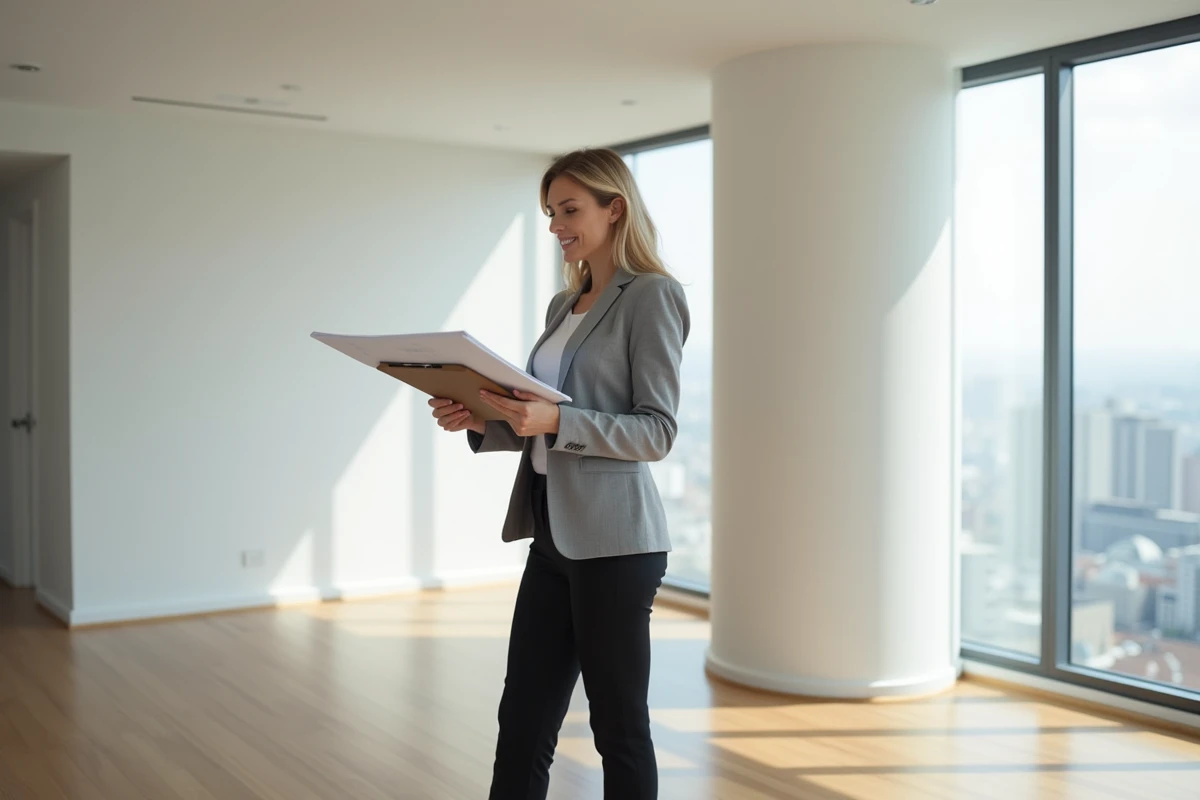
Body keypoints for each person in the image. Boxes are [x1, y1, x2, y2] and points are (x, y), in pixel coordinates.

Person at [427, 147, 689, 799]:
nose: (555, 226)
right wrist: (479, 418)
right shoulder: (561, 305)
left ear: (615, 208)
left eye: (569, 210)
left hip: (615, 545)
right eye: (550, 212)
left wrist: (555, 421)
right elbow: (536, 418)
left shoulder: (652, 296)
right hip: (551, 534)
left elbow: (656, 431)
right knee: (522, 719)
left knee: (618, 729)